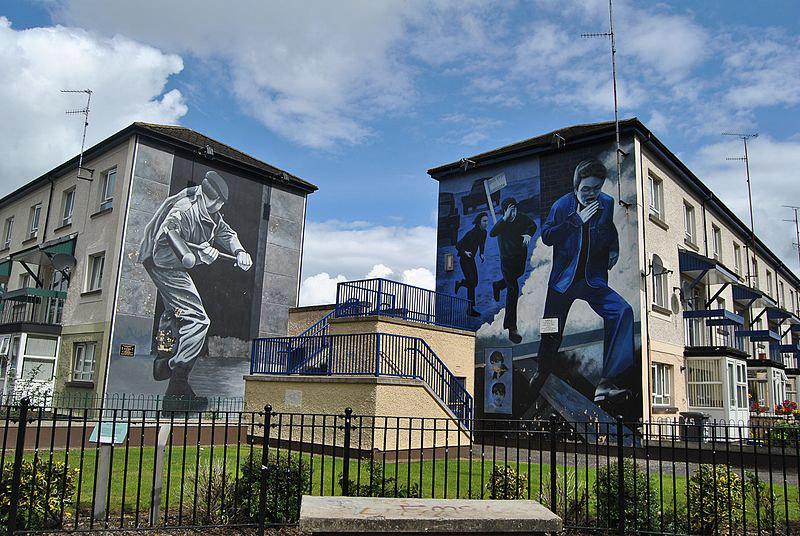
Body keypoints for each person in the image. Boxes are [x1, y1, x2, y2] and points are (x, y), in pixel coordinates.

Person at [138, 170, 253, 411]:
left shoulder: (212, 213)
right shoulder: (183, 210)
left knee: (173, 313)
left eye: (220, 202)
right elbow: (168, 235)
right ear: (201, 192)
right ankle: (177, 387)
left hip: (173, 264)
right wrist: (196, 254)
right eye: (214, 200)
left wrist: (239, 252)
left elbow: (227, 233)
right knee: (197, 320)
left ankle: (163, 359)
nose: (217, 205)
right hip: (164, 264)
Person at [534, 158, 634, 404]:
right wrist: (575, 221)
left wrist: (614, 248)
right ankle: (542, 372)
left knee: (623, 311)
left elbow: (609, 229)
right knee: (551, 330)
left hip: (592, 280)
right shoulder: (561, 206)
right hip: (562, 282)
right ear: (576, 185)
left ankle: (608, 382)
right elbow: (547, 236)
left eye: (596, 188)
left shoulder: (607, 203)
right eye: (586, 189)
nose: (591, 194)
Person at [490, 198, 537, 344]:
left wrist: (529, 234)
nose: (513, 213)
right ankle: (512, 328)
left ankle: (497, 285)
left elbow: (533, 225)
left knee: (519, 275)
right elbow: (492, 233)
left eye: (515, 209)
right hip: (507, 261)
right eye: (510, 210)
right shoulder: (502, 224)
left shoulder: (522, 218)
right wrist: (505, 217)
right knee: (513, 289)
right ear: (505, 212)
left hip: (519, 259)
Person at [455, 212, 488, 316]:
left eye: (487, 221)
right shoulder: (471, 233)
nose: (486, 223)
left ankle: (461, 283)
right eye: (484, 221)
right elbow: (458, 245)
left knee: (474, 283)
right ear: (479, 222)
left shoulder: (484, 232)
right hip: (464, 260)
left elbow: (482, 244)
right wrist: (465, 252)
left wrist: (481, 254)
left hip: (471, 259)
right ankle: (470, 309)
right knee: (472, 283)